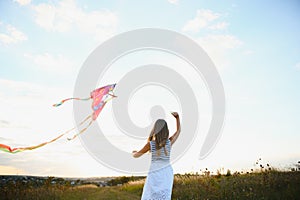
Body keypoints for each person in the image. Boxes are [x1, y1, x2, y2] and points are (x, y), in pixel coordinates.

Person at [132, 112, 181, 200]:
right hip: (166, 172)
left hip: (155, 171)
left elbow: (136, 155)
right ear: (166, 130)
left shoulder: (151, 144)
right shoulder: (169, 142)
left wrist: (133, 152)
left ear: (155, 130)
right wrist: (177, 118)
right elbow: (178, 131)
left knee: (150, 195)